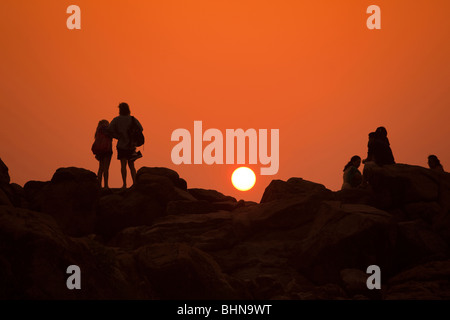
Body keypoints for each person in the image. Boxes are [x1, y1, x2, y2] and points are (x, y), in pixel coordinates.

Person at [108, 102, 144, 188]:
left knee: (123, 165)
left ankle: (124, 184)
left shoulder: (116, 119)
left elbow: (109, 130)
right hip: (131, 145)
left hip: (121, 145)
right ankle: (135, 183)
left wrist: (117, 136)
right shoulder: (132, 119)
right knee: (131, 166)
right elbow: (141, 128)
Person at [92, 120, 113, 188]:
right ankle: (106, 185)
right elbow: (112, 135)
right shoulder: (107, 129)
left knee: (100, 168)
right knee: (106, 169)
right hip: (107, 150)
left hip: (100, 151)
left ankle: (99, 185)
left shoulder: (98, 131)